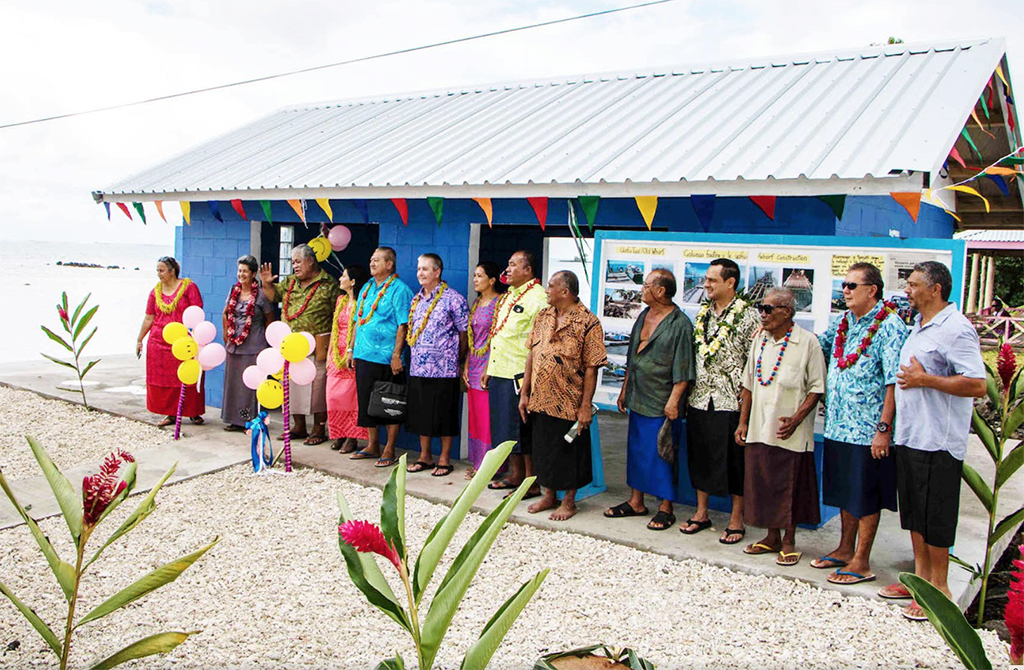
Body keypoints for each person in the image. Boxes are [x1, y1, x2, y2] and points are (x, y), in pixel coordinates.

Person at [884, 261, 986, 620]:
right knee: (914, 512)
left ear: (935, 289)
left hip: (938, 441)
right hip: (911, 435)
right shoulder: (918, 326)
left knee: (936, 515)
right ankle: (920, 580)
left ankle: (939, 589)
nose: (907, 291)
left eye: (913, 285)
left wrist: (927, 380)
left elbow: (977, 384)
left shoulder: (956, 329)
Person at [812, 263, 908, 584]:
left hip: (869, 431)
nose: (846, 291)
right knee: (844, 491)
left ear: (872, 291)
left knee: (866, 494)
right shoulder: (844, 322)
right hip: (839, 426)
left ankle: (862, 562)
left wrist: (884, 429)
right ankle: (844, 548)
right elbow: (817, 345)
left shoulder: (889, 326)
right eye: (844, 285)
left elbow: (894, 381)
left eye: (852, 286)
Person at [735, 288, 826, 566]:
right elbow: (748, 383)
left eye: (768, 308)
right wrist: (743, 422)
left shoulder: (807, 342)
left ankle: (789, 542)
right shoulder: (759, 340)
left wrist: (797, 419)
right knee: (763, 482)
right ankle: (771, 537)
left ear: (787, 311)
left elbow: (817, 388)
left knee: (789, 485)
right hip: (760, 427)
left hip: (791, 431)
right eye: (760, 308)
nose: (762, 314)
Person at [604, 269, 694, 531]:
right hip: (638, 395)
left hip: (662, 398)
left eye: (646, 285)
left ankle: (666, 507)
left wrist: (674, 401)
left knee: (662, 451)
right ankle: (636, 501)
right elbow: (633, 355)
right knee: (637, 450)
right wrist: (624, 390)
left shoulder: (679, 323)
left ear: (660, 291)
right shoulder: (644, 315)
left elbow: (684, 369)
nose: (642, 289)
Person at [519, 271, 607, 521]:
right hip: (540, 399)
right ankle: (548, 495)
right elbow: (531, 355)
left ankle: (569, 502)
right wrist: (524, 393)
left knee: (569, 453)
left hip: (569, 401)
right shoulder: (543, 316)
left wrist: (585, 406)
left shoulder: (588, 322)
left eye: (551, 286)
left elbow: (592, 367)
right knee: (544, 450)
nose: (546, 290)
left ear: (565, 292)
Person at [683, 258, 760, 541]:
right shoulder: (703, 314)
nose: (706, 284)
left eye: (712, 280)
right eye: (705, 279)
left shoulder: (748, 316)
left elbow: (754, 363)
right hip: (701, 398)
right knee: (700, 455)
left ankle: (736, 519)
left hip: (731, 401)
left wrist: (748, 401)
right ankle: (701, 512)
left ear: (731, 283)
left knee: (734, 460)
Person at [259, 245, 340, 445]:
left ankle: (319, 428)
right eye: (292, 262)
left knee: (317, 389)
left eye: (298, 261)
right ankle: (299, 426)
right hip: (291, 347)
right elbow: (273, 296)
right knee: (293, 388)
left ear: (311, 261)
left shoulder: (329, 284)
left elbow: (338, 314)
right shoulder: (290, 283)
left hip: (317, 345)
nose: (294, 266)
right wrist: (266, 284)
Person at [484, 250, 549, 496]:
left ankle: (531, 482)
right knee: (505, 429)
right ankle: (515, 474)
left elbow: (540, 343)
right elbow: (499, 334)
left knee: (522, 429)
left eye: (513, 265)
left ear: (528, 270)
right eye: (508, 264)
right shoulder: (509, 296)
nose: (507, 269)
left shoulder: (539, 298)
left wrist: (532, 380)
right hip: (501, 371)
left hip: (520, 375)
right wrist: (490, 368)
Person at [349, 246, 415, 467]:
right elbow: (358, 321)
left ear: (389, 264)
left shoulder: (400, 289)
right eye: (371, 259)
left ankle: (389, 448)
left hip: (387, 357)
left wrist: (397, 354)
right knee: (367, 402)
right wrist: (352, 350)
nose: (372, 263)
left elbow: (403, 325)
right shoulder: (366, 287)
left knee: (390, 402)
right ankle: (372, 444)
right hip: (364, 354)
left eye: (377, 260)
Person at [405, 253, 469, 477]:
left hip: (445, 369)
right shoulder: (417, 299)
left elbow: (464, 334)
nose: (420, 273)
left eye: (425, 269)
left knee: (444, 413)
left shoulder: (453, 298)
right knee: (422, 413)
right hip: (419, 368)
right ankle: (424, 456)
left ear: (437, 272)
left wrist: (457, 359)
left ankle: (444, 458)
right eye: (418, 269)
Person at [136, 256, 206, 426]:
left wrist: (197, 338)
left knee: (187, 375)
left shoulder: (189, 287)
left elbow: (197, 312)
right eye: (157, 270)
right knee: (165, 380)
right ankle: (170, 414)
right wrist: (139, 339)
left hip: (184, 342)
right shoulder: (155, 292)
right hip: (159, 343)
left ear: (172, 271)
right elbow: (149, 318)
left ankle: (193, 412)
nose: (158, 274)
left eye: (161, 270)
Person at [221, 255, 276, 431]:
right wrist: (226, 334)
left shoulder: (260, 294)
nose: (241, 274)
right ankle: (234, 419)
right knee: (234, 385)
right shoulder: (233, 290)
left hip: (254, 346)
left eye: (245, 271)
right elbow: (225, 313)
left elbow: (270, 318)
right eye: (239, 271)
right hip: (234, 345)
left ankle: (249, 420)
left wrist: (268, 344)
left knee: (249, 387)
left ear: (253, 274)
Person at [462, 262, 506, 479]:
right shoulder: (477, 303)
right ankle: (479, 463)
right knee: (476, 419)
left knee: (488, 418)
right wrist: (467, 364)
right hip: (474, 366)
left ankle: (492, 467)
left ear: (492, 280)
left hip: (489, 367)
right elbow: (472, 338)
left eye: (480, 276)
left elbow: (498, 338)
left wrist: (488, 367)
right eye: (474, 275)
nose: (475, 279)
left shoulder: (500, 303)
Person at [326, 265, 369, 453]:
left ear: (352, 281)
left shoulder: (362, 302)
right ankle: (338, 433)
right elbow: (334, 327)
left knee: (352, 398)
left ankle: (352, 437)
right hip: (337, 352)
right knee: (333, 396)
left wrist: (353, 350)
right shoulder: (340, 301)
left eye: (344, 276)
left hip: (353, 354)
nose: (340, 278)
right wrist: (329, 355)